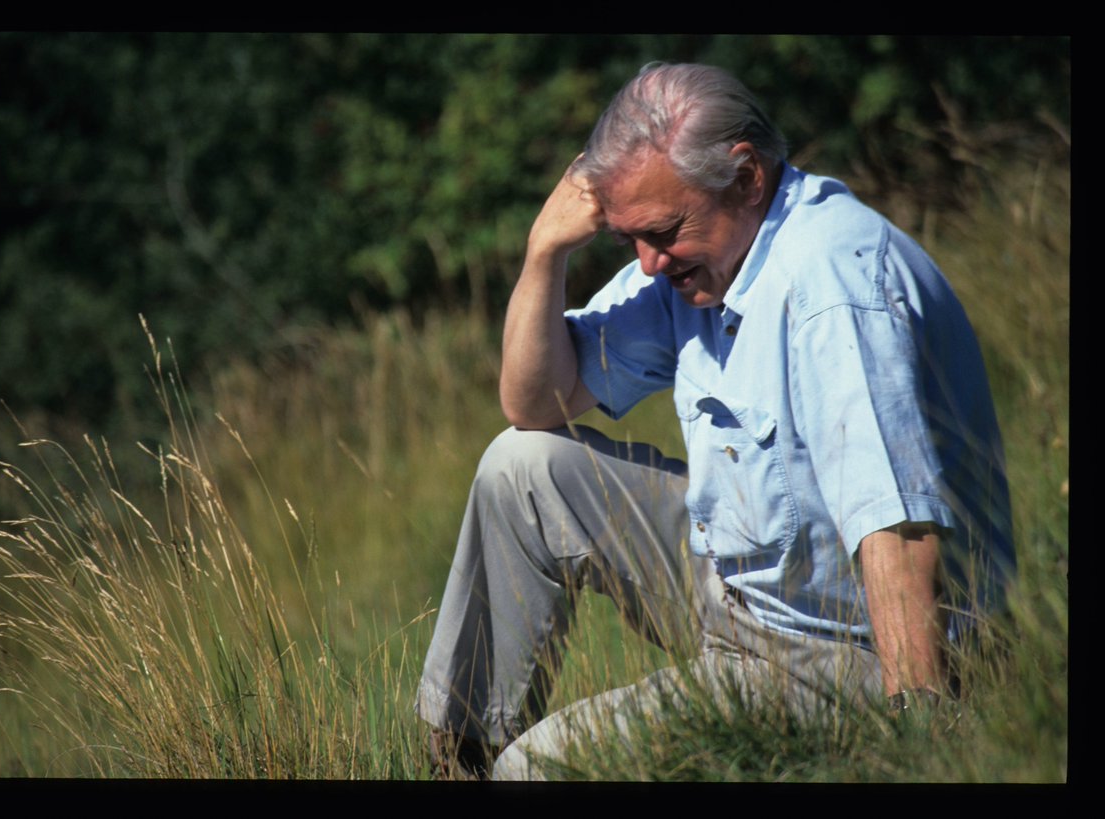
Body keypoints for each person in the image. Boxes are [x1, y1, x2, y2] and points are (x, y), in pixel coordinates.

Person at [415, 62, 1015, 781]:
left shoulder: (831, 286)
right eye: (628, 240)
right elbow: (537, 402)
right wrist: (545, 252)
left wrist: (923, 735)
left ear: (746, 177)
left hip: (844, 649)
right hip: (744, 582)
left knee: (534, 773)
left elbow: (897, 524)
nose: (647, 262)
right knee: (521, 466)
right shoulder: (703, 260)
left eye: (662, 231)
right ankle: (460, 761)